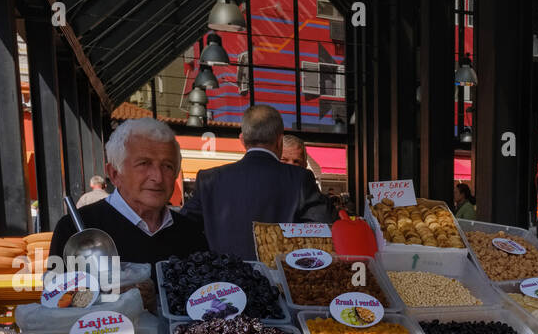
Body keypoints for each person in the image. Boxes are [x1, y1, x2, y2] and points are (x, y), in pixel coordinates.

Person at [48, 116, 206, 266]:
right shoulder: (75, 231)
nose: (158, 177)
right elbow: (58, 293)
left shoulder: (191, 234)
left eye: (167, 166)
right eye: (144, 163)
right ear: (115, 174)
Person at [182, 105, 333, 259]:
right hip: (281, 279)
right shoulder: (300, 179)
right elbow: (325, 231)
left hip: (224, 279)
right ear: (280, 141)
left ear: (242, 140)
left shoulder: (209, 180)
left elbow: (182, 229)